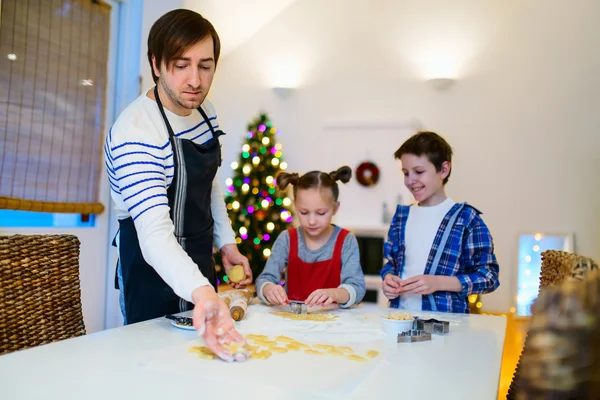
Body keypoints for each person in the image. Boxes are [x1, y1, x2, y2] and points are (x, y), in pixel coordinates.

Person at [104, 9, 250, 361]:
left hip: (200, 261)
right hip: (150, 269)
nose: (195, 80)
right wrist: (204, 293)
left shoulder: (205, 111)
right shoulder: (136, 133)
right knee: (155, 368)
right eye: (181, 64)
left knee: (202, 365)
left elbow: (207, 183)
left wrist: (226, 243)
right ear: (156, 65)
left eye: (205, 65)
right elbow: (154, 237)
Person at [380, 131, 500, 313]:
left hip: (446, 327)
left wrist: (437, 282)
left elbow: (489, 277)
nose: (410, 181)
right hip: (399, 319)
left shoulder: (466, 219)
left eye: (419, 172)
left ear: (444, 169)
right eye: (405, 173)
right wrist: (389, 277)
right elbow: (392, 264)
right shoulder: (401, 217)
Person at [255, 166, 366, 308]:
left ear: (335, 208)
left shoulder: (346, 240)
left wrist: (335, 294)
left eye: (320, 213)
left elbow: (357, 288)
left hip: (335, 324)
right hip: (294, 322)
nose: (312, 221)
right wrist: (267, 288)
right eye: (304, 212)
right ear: (295, 206)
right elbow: (265, 279)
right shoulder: (287, 239)